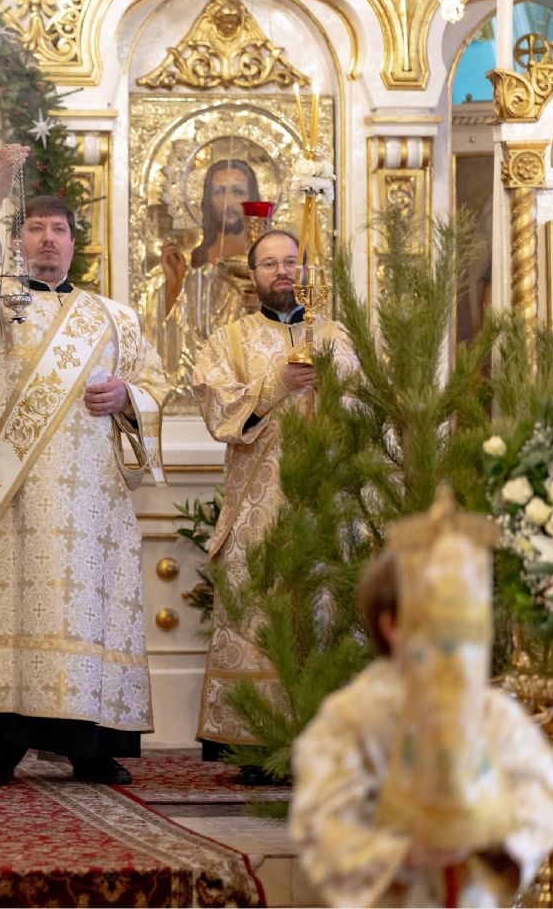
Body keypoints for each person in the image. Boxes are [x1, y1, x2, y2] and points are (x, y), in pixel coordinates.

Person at [0, 143, 167, 787]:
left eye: (58, 229)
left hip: (91, 506)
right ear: (20, 240)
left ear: (73, 242)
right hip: (15, 498)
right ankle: (0, 749)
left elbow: (155, 384)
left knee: (86, 617)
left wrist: (128, 398)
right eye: (35, 229)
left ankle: (92, 748)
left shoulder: (114, 319)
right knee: (9, 611)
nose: (47, 240)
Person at [289, 491, 553, 907]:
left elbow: (544, 795)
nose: (452, 637)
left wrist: (487, 834)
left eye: (464, 620)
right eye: (436, 616)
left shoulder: (491, 711)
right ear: (392, 624)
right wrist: (405, 852)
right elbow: (321, 821)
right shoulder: (353, 716)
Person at [189, 229, 357, 771]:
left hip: (328, 504)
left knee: (327, 616)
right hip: (257, 509)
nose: (283, 271)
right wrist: (277, 384)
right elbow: (218, 410)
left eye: (291, 262)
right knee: (259, 617)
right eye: (269, 264)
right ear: (252, 274)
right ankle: (255, 742)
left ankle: (330, 742)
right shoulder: (229, 342)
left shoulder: (337, 335)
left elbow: (366, 405)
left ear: (305, 271)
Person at [137, 158, 262, 400]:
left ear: (252, 199)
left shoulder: (265, 270)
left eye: (238, 192)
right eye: (219, 192)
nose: (228, 201)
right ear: (207, 200)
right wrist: (174, 287)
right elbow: (165, 347)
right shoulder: (188, 269)